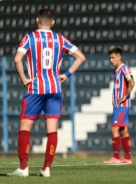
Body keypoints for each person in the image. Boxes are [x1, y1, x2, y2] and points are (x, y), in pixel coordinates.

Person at [7, 8, 86, 177]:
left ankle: (23, 168)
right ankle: (46, 168)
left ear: (37, 20)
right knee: (52, 130)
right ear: (53, 22)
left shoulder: (30, 37)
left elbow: (16, 59)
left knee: (25, 127)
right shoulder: (60, 39)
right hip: (55, 88)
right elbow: (81, 57)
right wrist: (66, 74)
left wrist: (24, 79)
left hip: (35, 88)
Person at [103, 48, 135, 165]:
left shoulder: (124, 68)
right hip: (119, 105)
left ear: (119, 57)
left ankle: (116, 157)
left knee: (114, 129)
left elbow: (132, 82)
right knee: (123, 130)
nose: (111, 60)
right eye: (110, 58)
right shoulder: (116, 70)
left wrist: (125, 96)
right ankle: (127, 158)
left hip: (122, 105)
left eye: (113, 57)